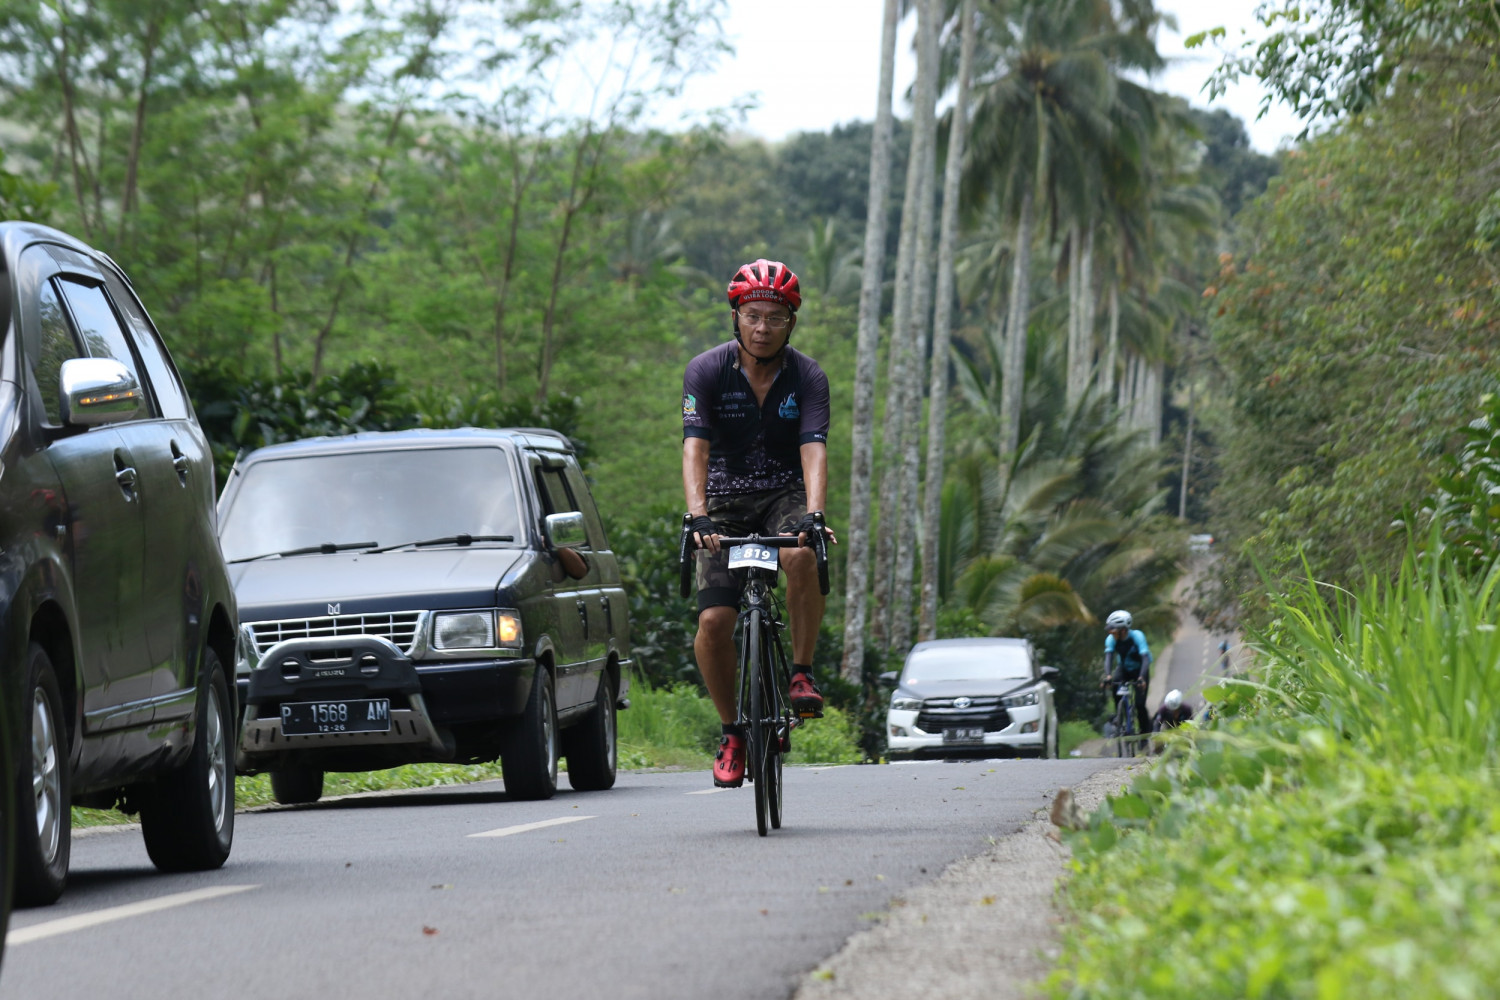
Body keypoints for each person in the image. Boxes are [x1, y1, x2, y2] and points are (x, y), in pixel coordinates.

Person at [682, 258, 836, 788]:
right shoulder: (705, 371)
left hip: (784, 494)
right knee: (713, 623)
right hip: (722, 502)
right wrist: (698, 514)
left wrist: (814, 513)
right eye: (752, 316)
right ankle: (732, 732)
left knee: (802, 552)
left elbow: (813, 448)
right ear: (736, 317)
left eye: (775, 317)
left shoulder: (808, 376)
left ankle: (801, 673)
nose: (762, 328)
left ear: (790, 322)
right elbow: (695, 448)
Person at [1101, 609, 1152, 740]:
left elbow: (1145, 658)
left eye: (1113, 630)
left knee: (1140, 704)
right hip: (1124, 668)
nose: (1111, 633)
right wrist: (1108, 676)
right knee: (1115, 685)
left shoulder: (1137, 636)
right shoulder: (1111, 640)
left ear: (1123, 630)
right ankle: (1120, 718)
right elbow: (1108, 657)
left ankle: (1144, 734)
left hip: (1140, 669)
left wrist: (1141, 678)